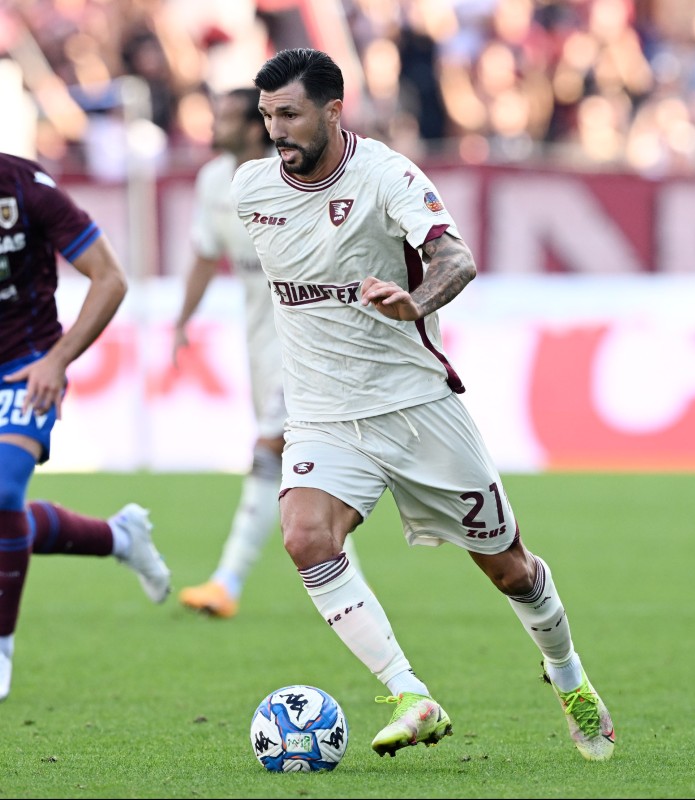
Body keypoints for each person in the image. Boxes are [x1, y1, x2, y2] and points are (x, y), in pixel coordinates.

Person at [229, 48, 616, 762]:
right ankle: (410, 692)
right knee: (306, 537)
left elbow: (455, 258)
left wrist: (416, 302)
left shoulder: (387, 176)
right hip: (324, 411)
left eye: (289, 115)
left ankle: (568, 674)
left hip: (415, 407)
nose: (276, 131)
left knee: (512, 571)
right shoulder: (252, 190)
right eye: (267, 117)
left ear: (333, 111)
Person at [174, 88, 362, 619]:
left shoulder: (292, 178)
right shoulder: (213, 180)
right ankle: (345, 589)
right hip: (257, 338)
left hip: (307, 339)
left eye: (229, 117)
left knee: (269, 449)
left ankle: (226, 580)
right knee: (311, 476)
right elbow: (206, 254)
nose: (216, 125)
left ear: (258, 129)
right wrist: (182, 319)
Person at [0, 152, 172, 701]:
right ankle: (120, 535)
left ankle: (0, 645)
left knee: (2, 489)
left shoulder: (28, 189)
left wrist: (56, 360)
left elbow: (110, 278)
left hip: (24, 368)